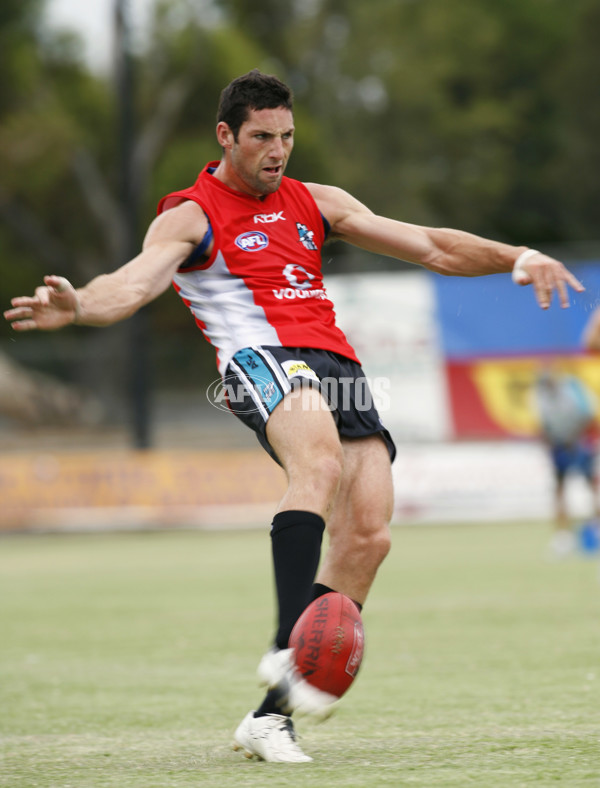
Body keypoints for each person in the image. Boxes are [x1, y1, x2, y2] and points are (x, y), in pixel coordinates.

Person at [3, 69, 584, 763]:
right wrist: (82, 305)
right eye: (260, 138)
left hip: (336, 364)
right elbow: (134, 282)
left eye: (286, 137)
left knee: (369, 533)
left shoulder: (317, 200)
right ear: (226, 135)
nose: (277, 151)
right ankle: (286, 645)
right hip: (259, 360)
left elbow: (431, 245)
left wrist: (517, 256)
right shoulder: (190, 212)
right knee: (319, 459)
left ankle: (270, 717)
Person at [533, 365, 599, 557]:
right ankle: (563, 537)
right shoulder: (540, 395)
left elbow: (587, 416)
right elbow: (543, 424)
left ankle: (596, 529)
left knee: (592, 487)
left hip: (580, 443)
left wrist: (573, 439)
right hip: (559, 446)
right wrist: (550, 443)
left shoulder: (572, 389)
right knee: (559, 489)